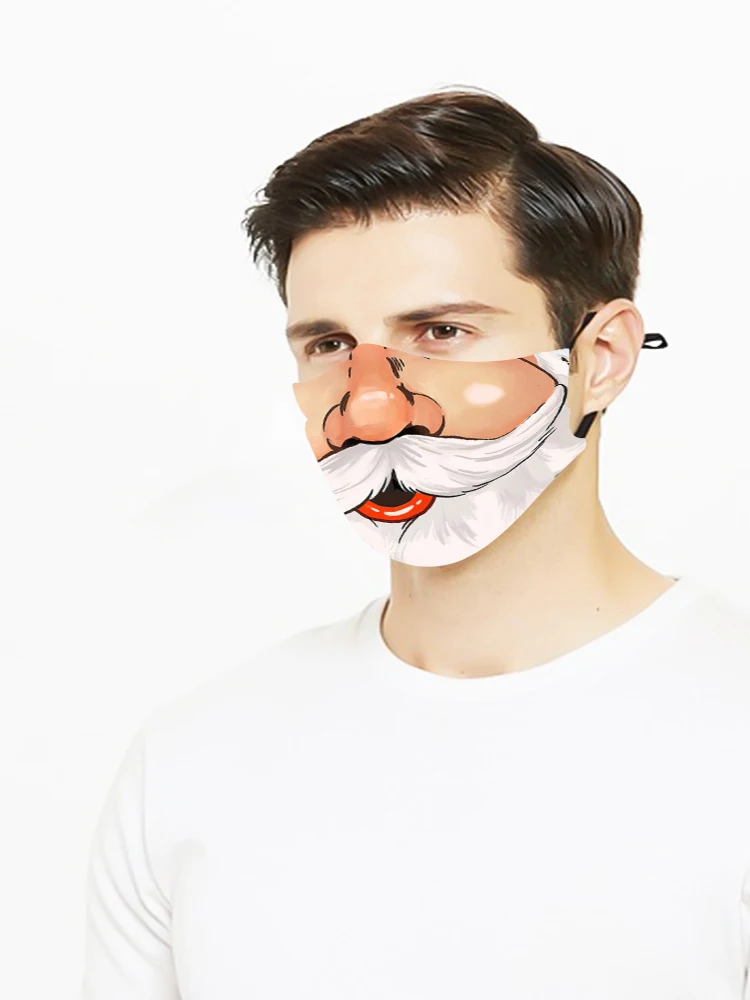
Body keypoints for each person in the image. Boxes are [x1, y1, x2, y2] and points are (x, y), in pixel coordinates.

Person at [80, 88, 750, 998]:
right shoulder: (188, 763)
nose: (370, 407)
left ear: (603, 358)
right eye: (328, 344)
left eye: (441, 331)